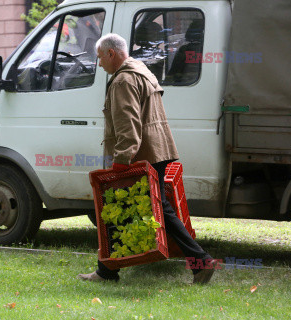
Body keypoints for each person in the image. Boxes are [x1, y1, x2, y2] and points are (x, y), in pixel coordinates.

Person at [77, 33, 218, 284]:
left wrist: (122, 159)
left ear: (112, 54)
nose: (99, 64)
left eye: (100, 58)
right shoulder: (141, 70)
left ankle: (201, 262)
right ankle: (107, 270)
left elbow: (128, 124)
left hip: (141, 155)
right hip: (158, 149)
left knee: (121, 208)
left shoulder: (122, 81)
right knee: (134, 209)